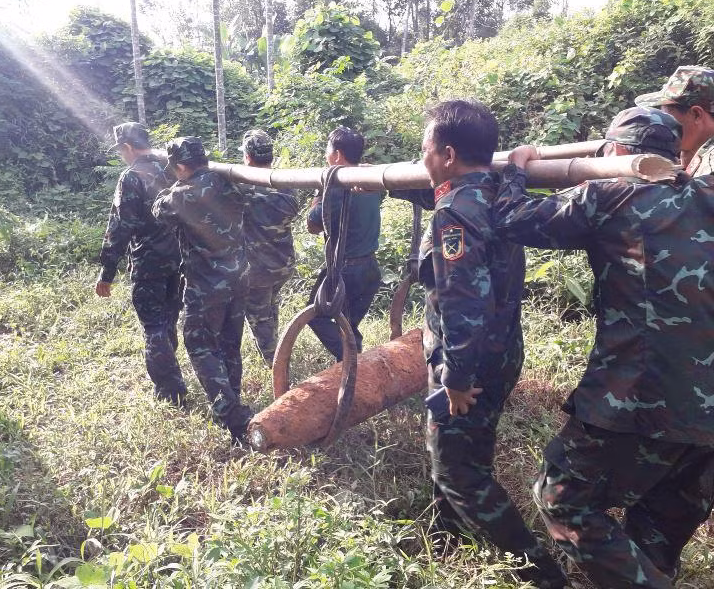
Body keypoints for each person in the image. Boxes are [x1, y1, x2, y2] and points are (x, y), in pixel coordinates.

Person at [496, 106, 714, 588]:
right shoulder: (705, 193)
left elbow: (513, 219)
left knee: (562, 498)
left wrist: (515, 168)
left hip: (640, 396)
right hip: (707, 416)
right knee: (655, 533)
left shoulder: (611, 194)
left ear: (615, 152)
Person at [390, 100, 566, 589]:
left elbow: (463, 302)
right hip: (500, 351)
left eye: (424, 150)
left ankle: (543, 575)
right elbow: (504, 184)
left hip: (470, 363)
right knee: (462, 452)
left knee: (458, 472)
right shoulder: (495, 193)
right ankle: (444, 537)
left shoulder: (455, 214)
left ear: (447, 154)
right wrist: (518, 166)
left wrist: (456, 379)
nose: (420, 158)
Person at [152, 137, 252, 442]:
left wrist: (174, 186)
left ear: (181, 166)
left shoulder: (183, 194)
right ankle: (232, 396)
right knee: (230, 341)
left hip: (206, 285)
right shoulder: (230, 182)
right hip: (239, 277)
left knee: (199, 343)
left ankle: (230, 414)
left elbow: (158, 210)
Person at [95, 122, 186, 406]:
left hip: (149, 262)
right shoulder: (173, 169)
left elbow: (120, 226)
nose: (123, 156)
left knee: (154, 326)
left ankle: (171, 391)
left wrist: (106, 272)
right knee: (169, 318)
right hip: (179, 258)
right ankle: (171, 373)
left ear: (129, 148)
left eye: (122, 151)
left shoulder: (131, 177)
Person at [305, 126, 383, 361]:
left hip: (346, 271)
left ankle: (352, 362)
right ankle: (351, 366)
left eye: (328, 151)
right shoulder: (371, 181)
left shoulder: (337, 188)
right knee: (348, 325)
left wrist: (321, 192)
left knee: (315, 315)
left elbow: (312, 225)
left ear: (337, 155)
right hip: (370, 268)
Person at [239, 130, 299, 365]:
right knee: (269, 307)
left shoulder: (244, 188)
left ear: (247, 157)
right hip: (283, 263)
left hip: (258, 270)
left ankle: (274, 363)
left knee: (259, 316)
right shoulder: (285, 184)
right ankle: (276, 348)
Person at [636, 65, 714, 177]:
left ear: (696, 114)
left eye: (667, 117)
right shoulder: (695, 150)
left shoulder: (710, 165)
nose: (663, 124)